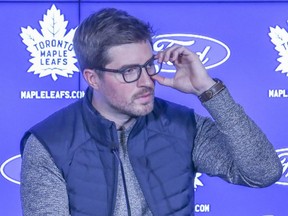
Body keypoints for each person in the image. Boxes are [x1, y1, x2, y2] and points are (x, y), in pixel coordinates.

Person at [20, 8, 282, 216]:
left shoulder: (184, 127)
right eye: (129, 71)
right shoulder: (49, 144)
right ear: (92, 78)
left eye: (148, 65)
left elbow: (262, 172)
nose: (146, 80)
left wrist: (209, 90)